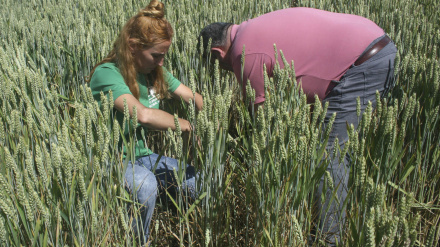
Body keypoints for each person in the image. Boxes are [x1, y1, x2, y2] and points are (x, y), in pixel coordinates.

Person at [199, 7, 397, 245]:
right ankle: (341, 218)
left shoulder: (244, 53)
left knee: (329, 153)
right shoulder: (251, 29)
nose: (227, 73)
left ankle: (328, 238)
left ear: (217, 53)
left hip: (362, 63)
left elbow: (263, 122)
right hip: (374, 44)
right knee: (335, 147)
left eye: (221, 68)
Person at [87, 0, 203, 244]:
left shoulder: (154, 72)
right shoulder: (107, 74)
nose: (161, 62)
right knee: (146, 184)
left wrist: (208, 113)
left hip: (142, 156)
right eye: (156, 55)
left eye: (164, 55)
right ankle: (139, 240)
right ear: (132, 47)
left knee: (197, 179)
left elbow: (193, 97)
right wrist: (186, 125)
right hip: (110, 159)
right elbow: (142, 115)